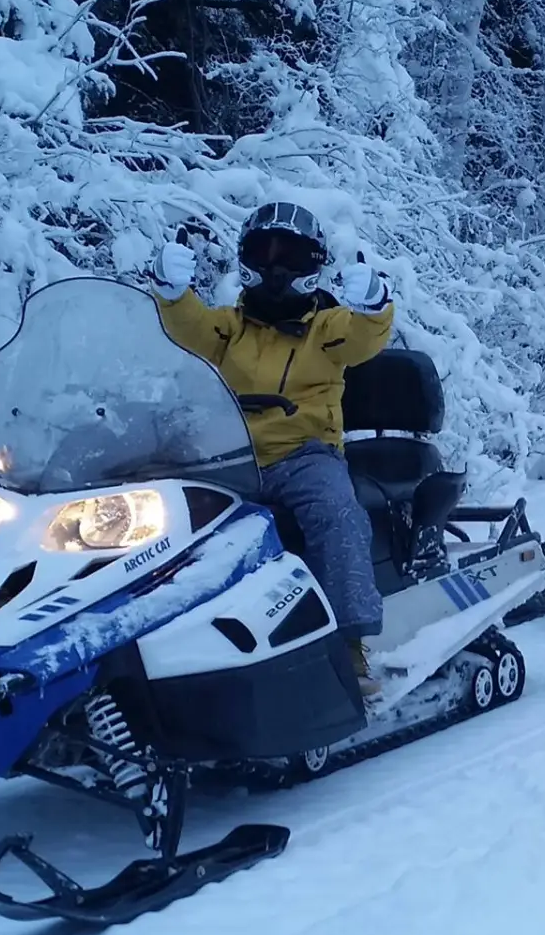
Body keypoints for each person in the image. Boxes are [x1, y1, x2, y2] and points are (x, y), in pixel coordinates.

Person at [149, 202, 393, 698]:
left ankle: (349, 644)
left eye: (290, 258)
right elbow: (190, 329)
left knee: (337, 514)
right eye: (265, 255)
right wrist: (172, 293)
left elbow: (363, 339)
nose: (276, 270)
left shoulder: (327, 327)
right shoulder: (230, 327)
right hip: (226, 458)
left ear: (313, 265)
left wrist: (374, 304)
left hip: (303, 455)